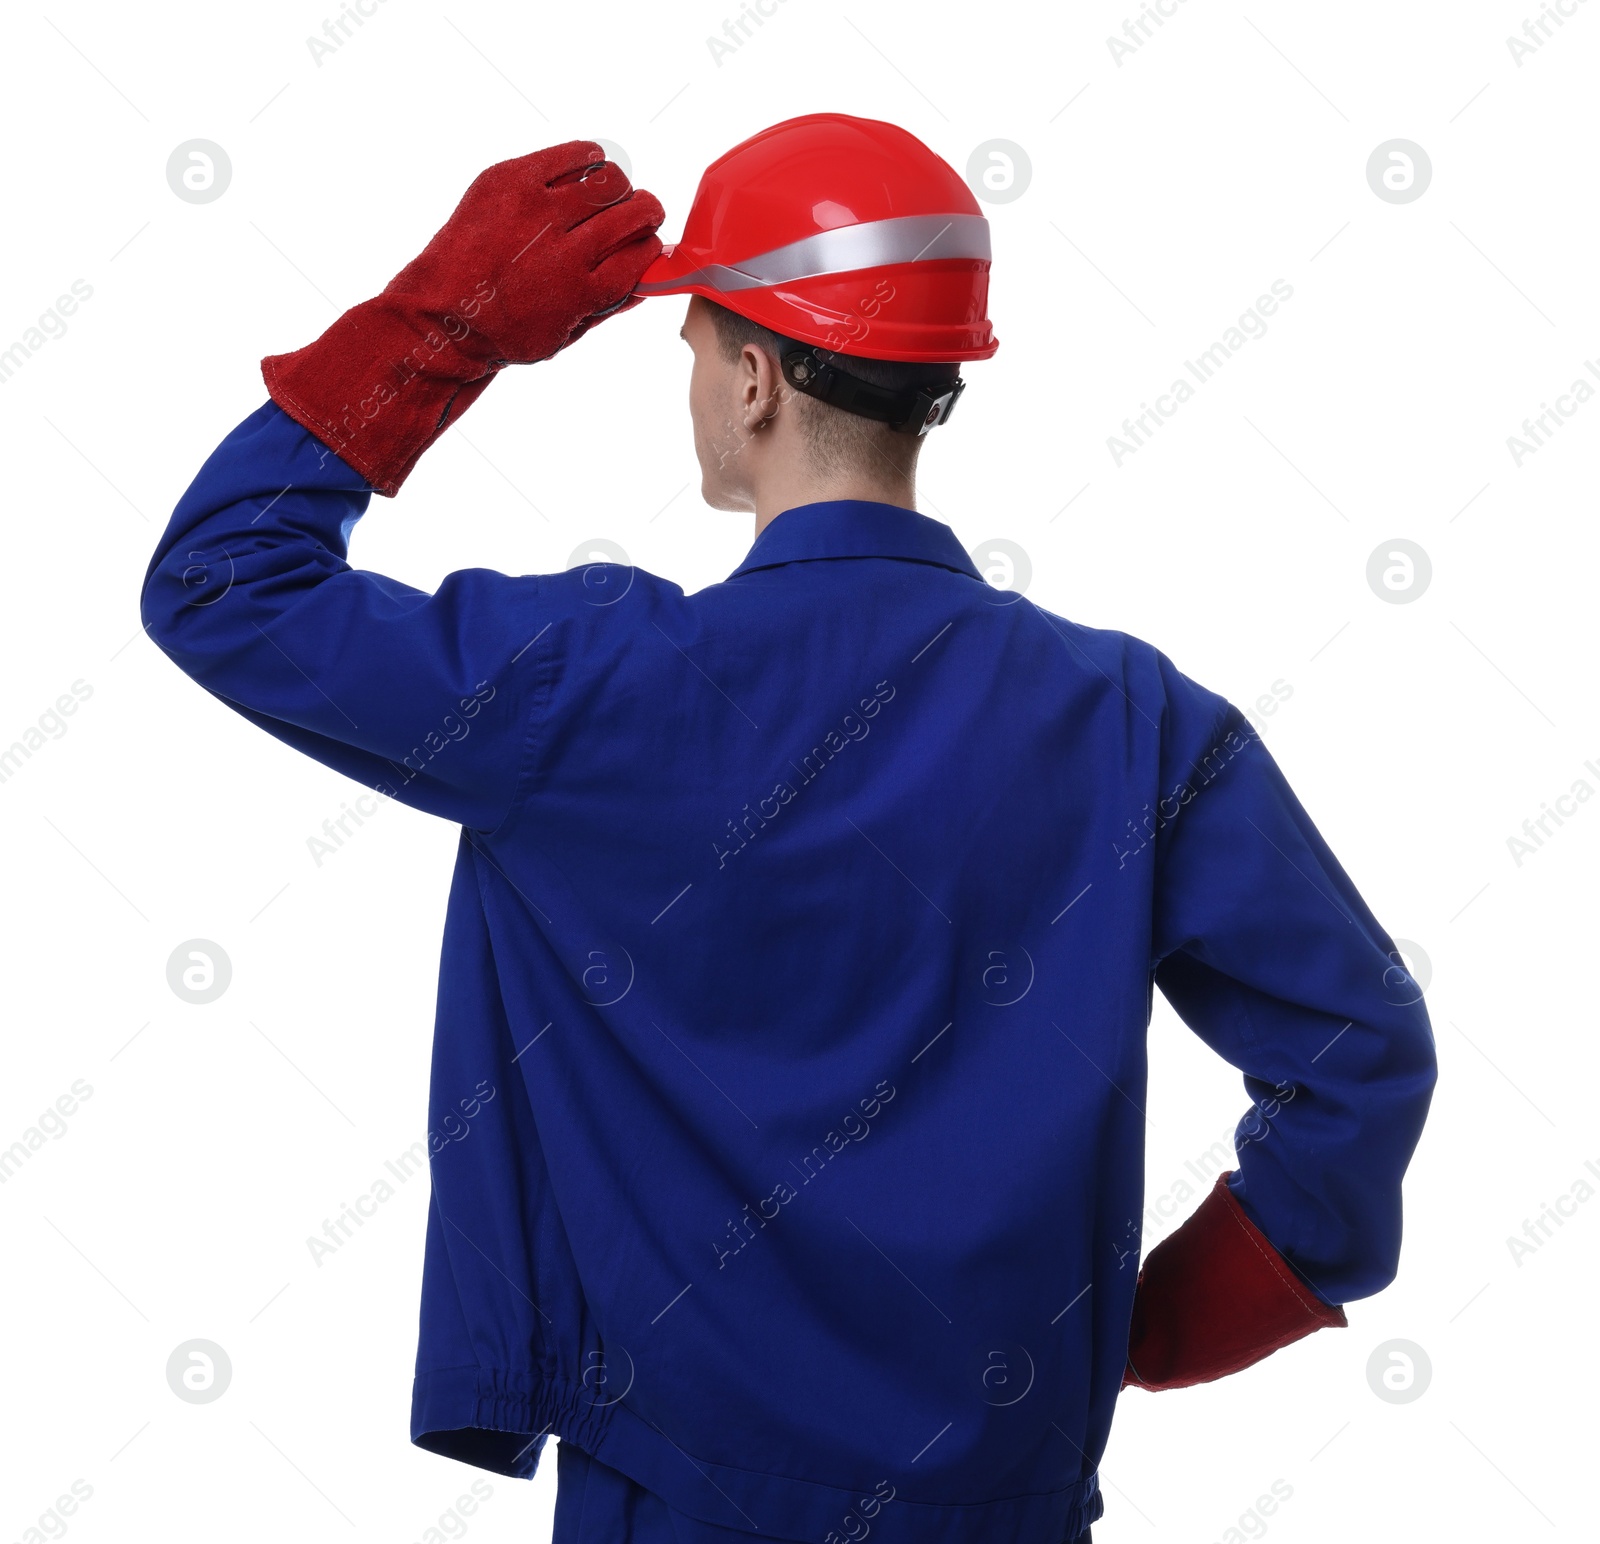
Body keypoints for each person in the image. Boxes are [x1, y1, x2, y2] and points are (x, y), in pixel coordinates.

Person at [140, 114, 1437, 1544]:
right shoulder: (1134, 723)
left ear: (752, 378)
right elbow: (1360, 1060)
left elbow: (223, 579)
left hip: (676, 1497)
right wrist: (1148, 1332)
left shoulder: (583, 691)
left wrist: (445, 329)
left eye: (693, 348)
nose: (693, 383)